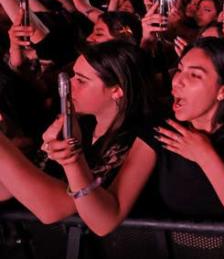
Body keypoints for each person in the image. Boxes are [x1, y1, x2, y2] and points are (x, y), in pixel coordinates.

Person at [49, 38, 224, 234]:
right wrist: (73, 162)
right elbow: (106, 220)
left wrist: (205, 155)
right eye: (180, 69)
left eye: (194, 75)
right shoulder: (160, 124)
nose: (177, 81)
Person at [0, 41, 153, 224]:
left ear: (117, 91)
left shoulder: (137, 137)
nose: (69, 85)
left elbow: (55, 208)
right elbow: (8, 189)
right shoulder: (81, 123)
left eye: (81, 80)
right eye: (72, 76)